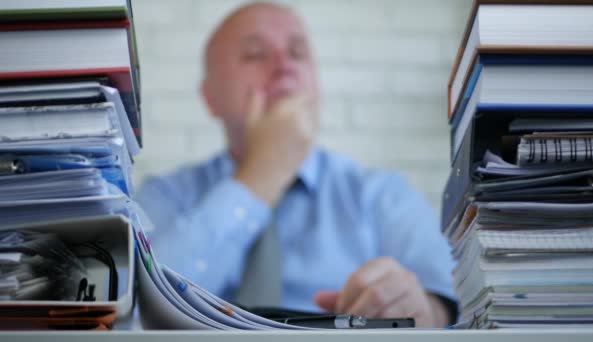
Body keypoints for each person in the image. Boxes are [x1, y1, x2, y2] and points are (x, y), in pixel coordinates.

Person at [135, 1, 457, 327]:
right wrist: (263, 173)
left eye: (298, 52)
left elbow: (454, 305)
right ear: (210, 98)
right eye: (255, 54)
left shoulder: (384, 194)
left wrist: (422, 311)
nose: (284, 65)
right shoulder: (161, 197)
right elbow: (135, 307)